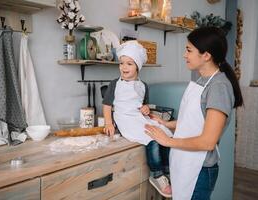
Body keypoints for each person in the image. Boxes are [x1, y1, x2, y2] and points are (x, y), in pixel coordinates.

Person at [145, 27, 243, 200]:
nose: (185, 55)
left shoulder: (219, 87)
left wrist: (168, 141)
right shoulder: (200, 80)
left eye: (189, 50)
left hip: (200, 170)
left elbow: (208, 142)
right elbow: (195, 120)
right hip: (185, 163)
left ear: (206, 55)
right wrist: (168, 124)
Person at [102, 41, 173, 198]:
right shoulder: (114, 84)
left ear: (138, 67)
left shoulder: (143, 85)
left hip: (138, 117)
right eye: (121, 63)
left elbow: (143, 105)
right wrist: (108, 122)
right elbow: (107, 105)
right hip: (125, 119)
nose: (124, 67)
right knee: (152, 139)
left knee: (165, 134)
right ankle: (157, 175)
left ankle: (168, 169)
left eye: (129, 64)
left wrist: (145, 108)